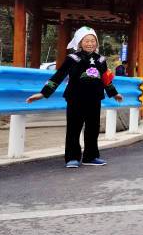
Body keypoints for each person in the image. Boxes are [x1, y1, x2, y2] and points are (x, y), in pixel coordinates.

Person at [26, 26, 123, 168]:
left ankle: (90, 156)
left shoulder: (101, 60)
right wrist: (43, 93)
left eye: (93, 41)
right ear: (79, 42)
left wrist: (114, 93)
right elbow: (59, 76)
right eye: (86, 41)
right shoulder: (72, 58)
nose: (90, 44)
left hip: (94, 98)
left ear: (96, 43)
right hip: (75, 98)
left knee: (93, 129)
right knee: (74, 128)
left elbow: (105, 79)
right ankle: (72, 157)